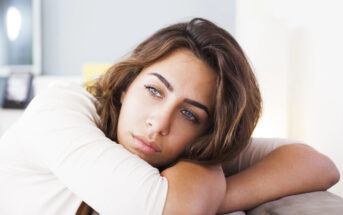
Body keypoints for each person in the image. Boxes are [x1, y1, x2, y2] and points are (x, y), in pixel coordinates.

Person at [0, 18, 339, 215]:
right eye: (155, 91)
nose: (160, 124)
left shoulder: (185, 152)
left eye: (190, 114)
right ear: (126, 84)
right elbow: (175, 208)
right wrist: (205, 195)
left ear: (207, 131)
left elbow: (318, 164)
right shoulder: (59, 110)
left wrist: (218, 192)